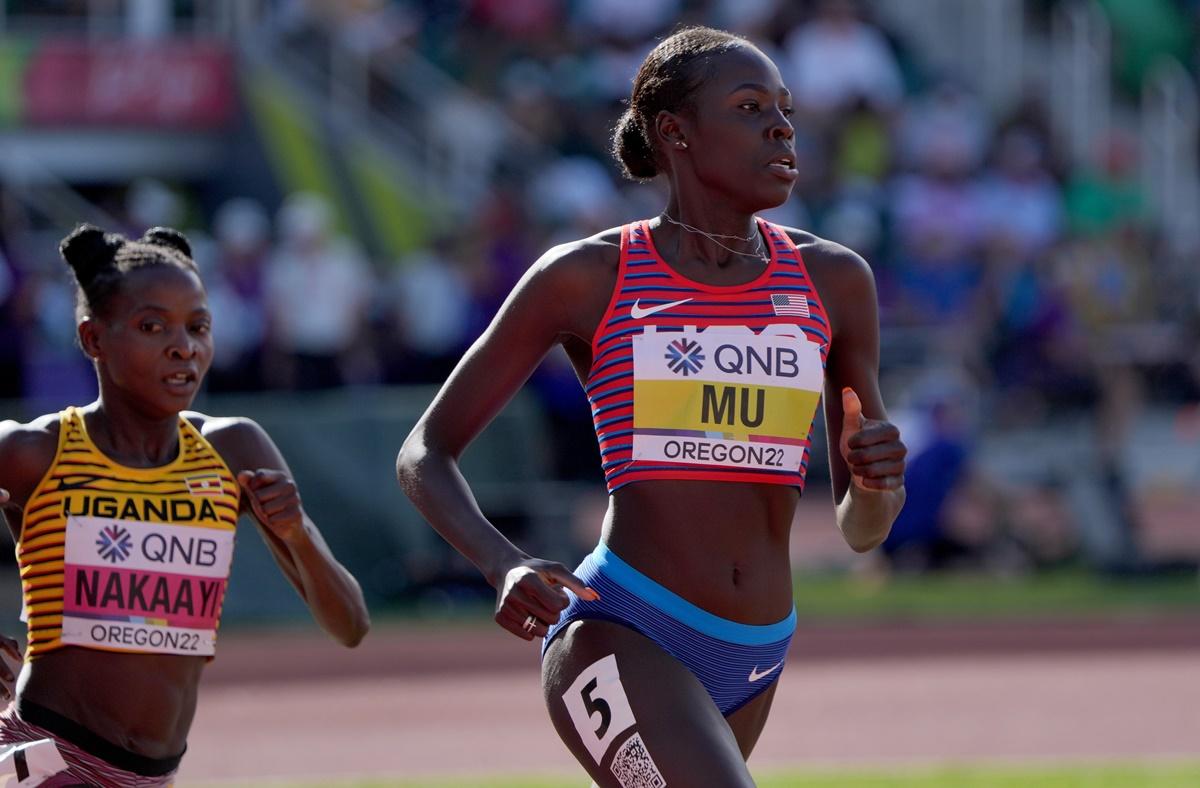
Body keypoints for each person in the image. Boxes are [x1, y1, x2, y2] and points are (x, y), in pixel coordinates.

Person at [396, 26, 906, 787]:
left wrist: (877, 488)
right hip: (622, 628)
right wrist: (500, 564)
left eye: (785, 108)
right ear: (676, 133)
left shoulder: (834, 282)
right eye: (749, 106)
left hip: (758, 649)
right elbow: (424, 452)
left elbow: (862, 533)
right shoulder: (588, 276)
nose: (782, 126)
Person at [0, 224, 370, 786]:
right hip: (48, 754)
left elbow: (350, 626)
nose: (184, 347)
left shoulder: (234, 450)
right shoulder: (35, 451)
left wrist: (297, 535)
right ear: (93, 337)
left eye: (198, 327)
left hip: (153, 775)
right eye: (153, 326)